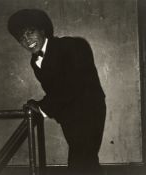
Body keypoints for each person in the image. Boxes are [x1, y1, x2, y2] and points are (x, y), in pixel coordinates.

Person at [7, 9, 106, 175]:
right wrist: (39, 105)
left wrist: (43, 107)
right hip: (68, 116)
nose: (27, 40)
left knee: (79, 162)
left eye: (30, 32)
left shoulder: (70, 45)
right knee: (87, 162)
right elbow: (56, 91)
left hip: (88, 111)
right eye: (21, 37)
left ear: (43, 30)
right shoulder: (35, 61)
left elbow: (73, 84)